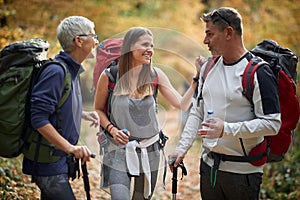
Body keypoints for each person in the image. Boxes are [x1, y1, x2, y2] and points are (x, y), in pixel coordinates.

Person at [168, 7, 281, 200]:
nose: (205, 41)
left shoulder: (258, 72)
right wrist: (181, 148)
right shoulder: (208, 68)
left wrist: (226, 129)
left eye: (210, 34)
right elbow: (197, 112)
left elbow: (272, 123)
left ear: (228, 32)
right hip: (209, 168)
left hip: (243, 173)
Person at [94, 27, 204, 200]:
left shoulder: (155, 75)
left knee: (142, 198)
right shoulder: (110, 76)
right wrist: (112, 130)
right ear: (130, 47)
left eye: (152, 45)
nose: (150, 50)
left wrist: (196, 78)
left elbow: (182, 104)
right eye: (144, 44)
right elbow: (98, 110)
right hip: (118, 152)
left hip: (150, 151)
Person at [22, 16, 100, 200]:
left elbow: (57, 107)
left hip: (56, 161)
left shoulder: (69, 71)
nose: (96, 40)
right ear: (78, 41)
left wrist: (82, 114)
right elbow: (39, 118)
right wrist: (71, 148)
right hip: (48, 163)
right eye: (93, 35)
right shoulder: (56, 71)